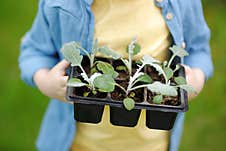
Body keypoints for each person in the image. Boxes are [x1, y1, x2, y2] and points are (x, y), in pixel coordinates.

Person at [18, 0, 213, 151]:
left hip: (152, 143)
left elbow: (198, 49)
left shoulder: (182, 3)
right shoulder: (61, 4)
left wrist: (196, 77)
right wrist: (45, 81)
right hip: (78, 144)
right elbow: (34, 50)